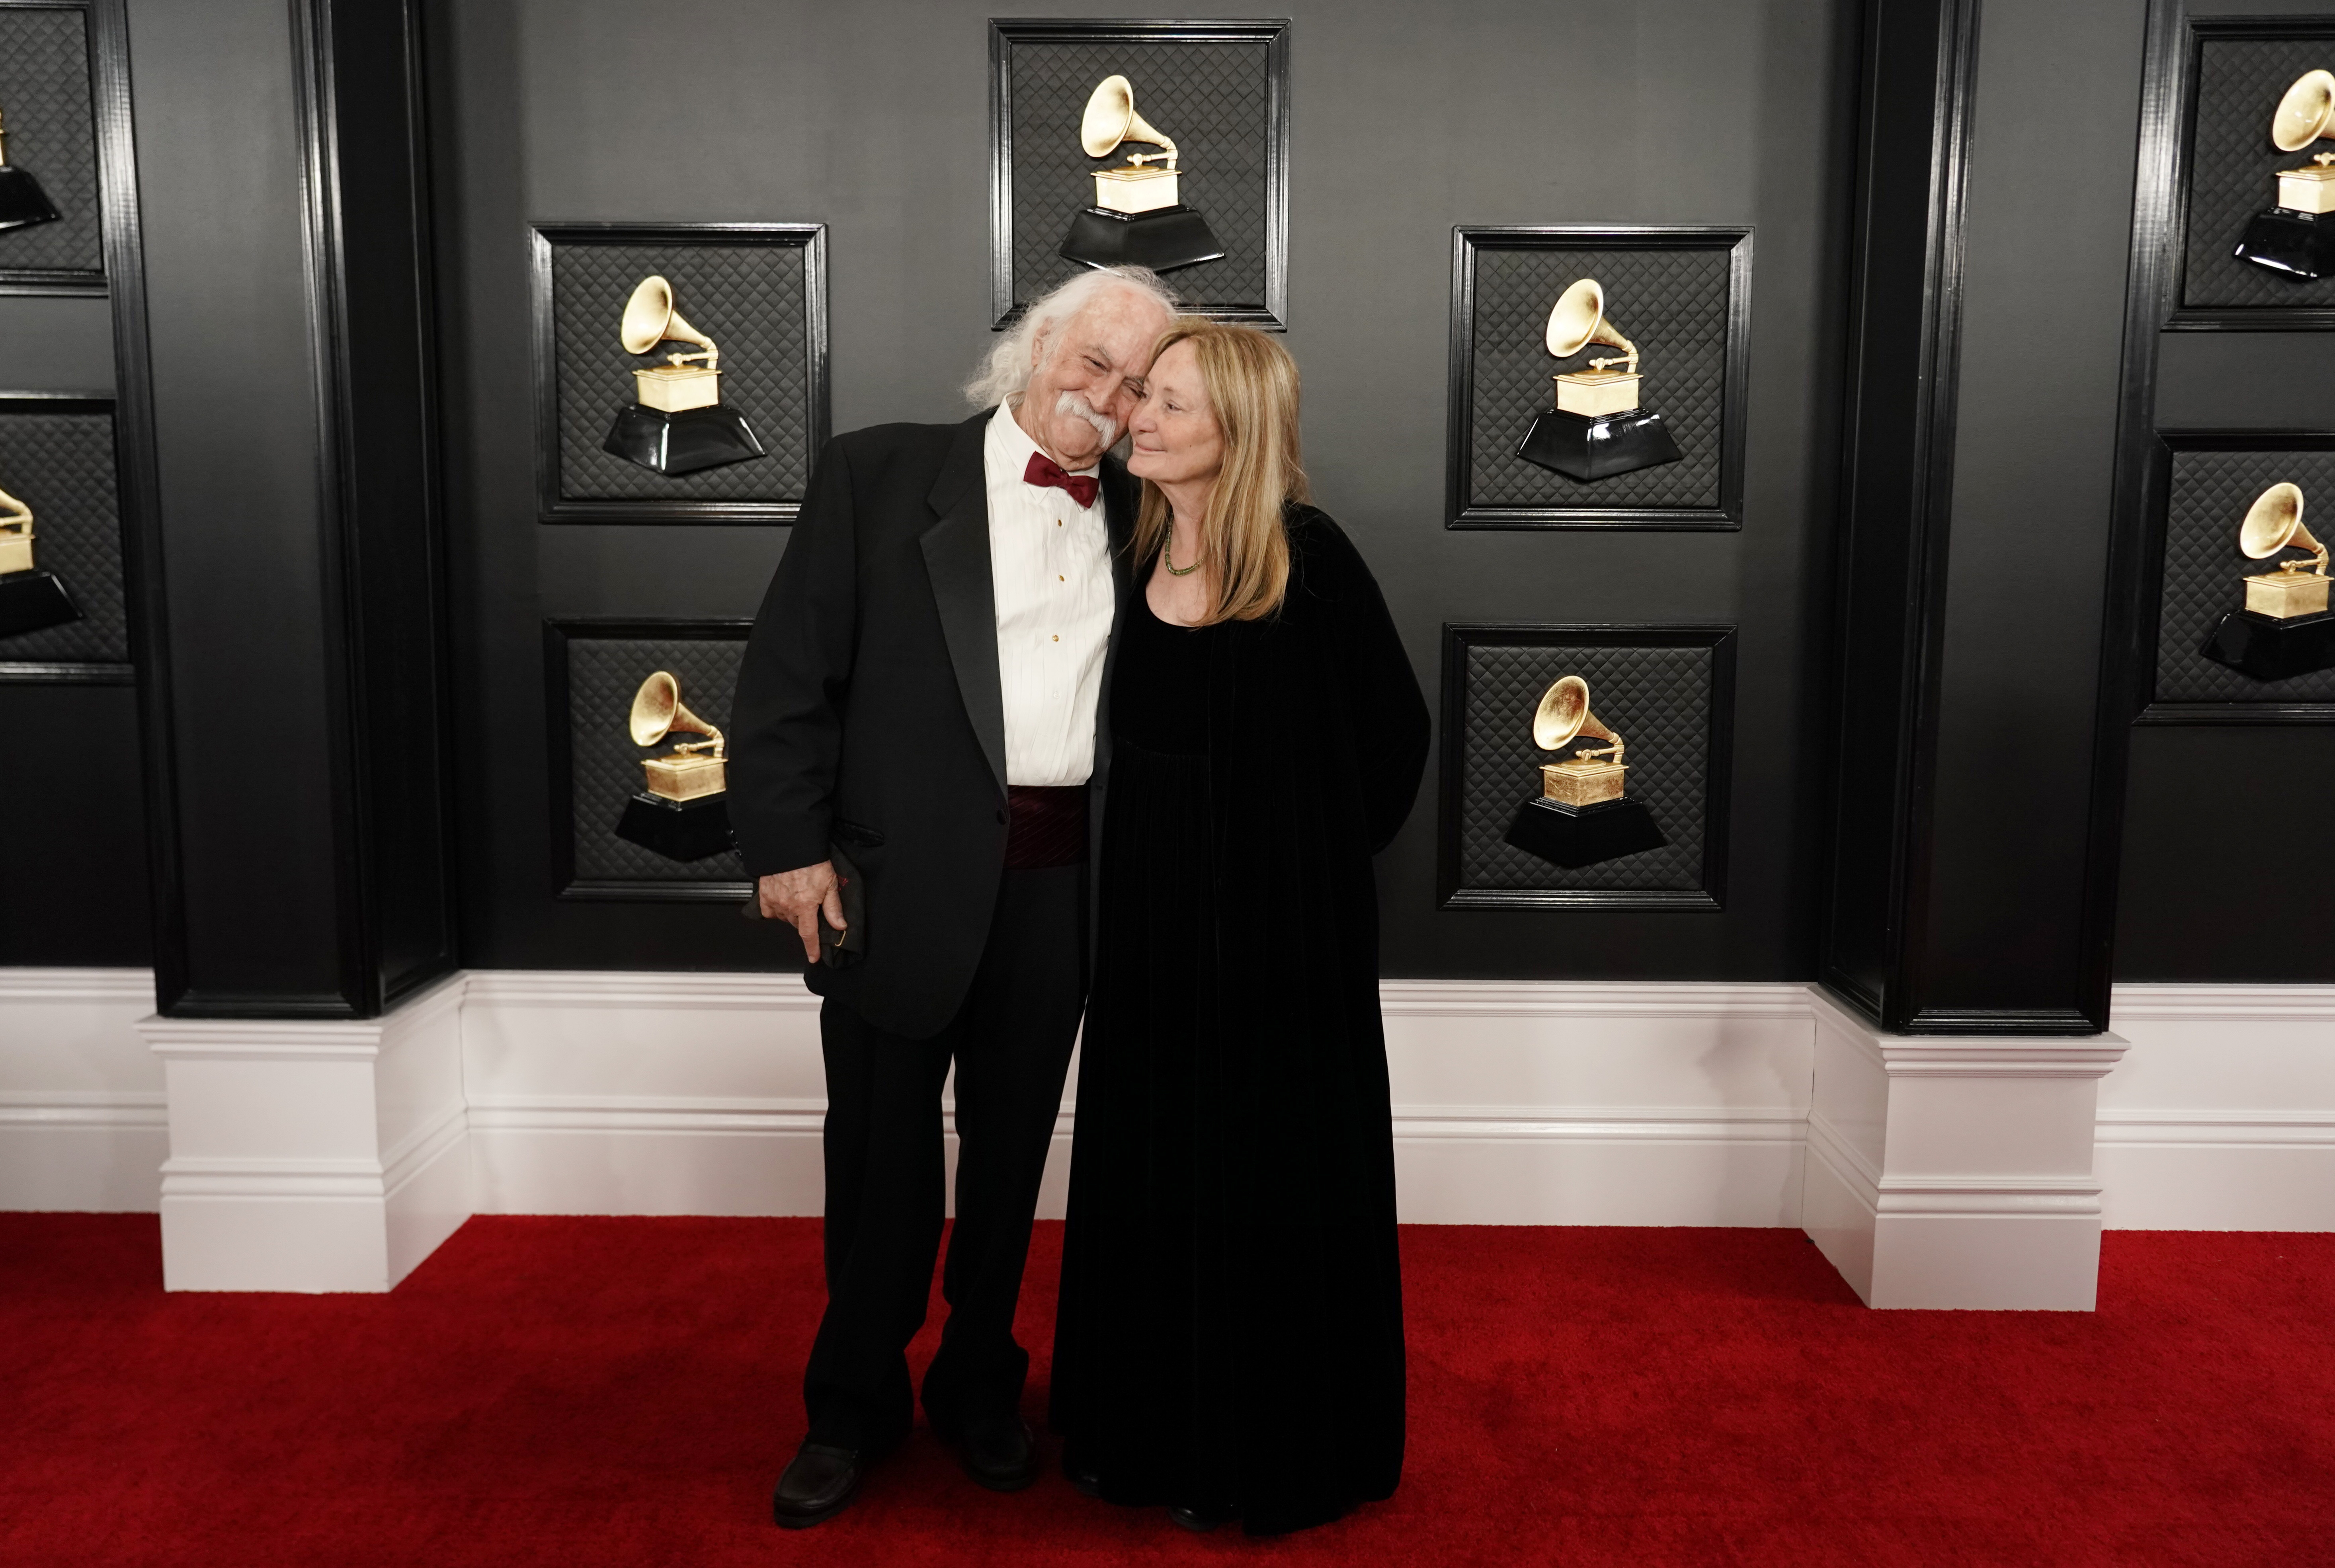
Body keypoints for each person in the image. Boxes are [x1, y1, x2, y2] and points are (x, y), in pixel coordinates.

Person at [726, 265, 1179, 1529]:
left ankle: (981, 1383)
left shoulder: (1156, 510)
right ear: (1035, 345)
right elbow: (782, 681)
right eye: (1093, 362)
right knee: (877, 1165)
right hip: (887, 880)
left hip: (1064, 886)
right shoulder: (877, 474)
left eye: (1140, 383)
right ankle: (849, 1402)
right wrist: (787, 847)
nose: (1108, 399)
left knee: (1009, 1160)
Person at [1047, 321, 1431, 1535]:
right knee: (1153, 1156)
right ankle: (1143, 1429)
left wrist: (1298, 865)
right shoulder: (1128, 549)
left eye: (1168, 406)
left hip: (1286, 934)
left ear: (1240, 433)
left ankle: (1271, 1449)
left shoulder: (1310, 561)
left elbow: (1395, 741)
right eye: (1141, 397)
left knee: (1273, 1167)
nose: (1138, 419)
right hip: (1151, 924)